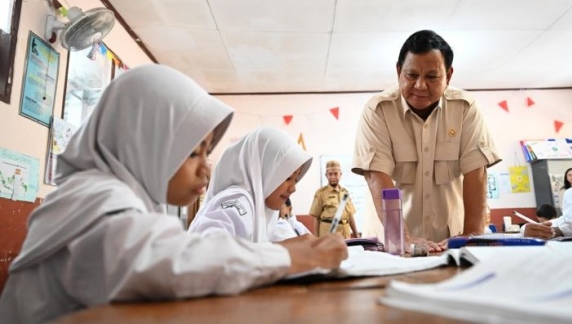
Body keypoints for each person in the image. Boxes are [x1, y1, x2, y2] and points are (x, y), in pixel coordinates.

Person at [0, 65, 348, 324]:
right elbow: (168, 261)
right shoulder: (94, 198)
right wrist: (292, 258)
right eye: (192, 153)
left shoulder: (122, 199)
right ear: (143, 144)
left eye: (205, 153)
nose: (206, 169)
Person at [352, 29, 501, 252]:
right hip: (390, 243)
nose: (421, 85)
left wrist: (471, 234)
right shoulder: (378, 110)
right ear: (399, 71)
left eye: (432, 77)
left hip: (450, 243)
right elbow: (376, 176)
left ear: (448, 76)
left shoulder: (465, 109)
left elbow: (476, 173)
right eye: (412, 75)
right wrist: (402, 237)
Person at [188, 126, 312, 243]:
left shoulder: (264, 210)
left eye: (296, 179)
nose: (293, 188)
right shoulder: (238, 203)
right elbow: (207, 251)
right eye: (288, 177)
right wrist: (283, 250)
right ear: (264, 172)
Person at [309, 160, 359, 239]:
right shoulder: (320, 193)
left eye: (336, 174)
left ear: (340, 174)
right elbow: (316, 218)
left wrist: (356, 235)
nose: (333, 177)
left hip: (345, 234)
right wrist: (316, 240)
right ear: (326, 175)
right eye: (330, 174)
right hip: (329, 234)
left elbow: (350, 216)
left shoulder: (345, 193)